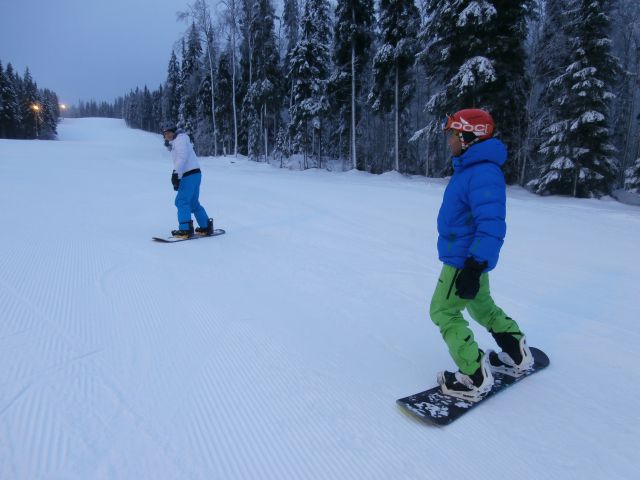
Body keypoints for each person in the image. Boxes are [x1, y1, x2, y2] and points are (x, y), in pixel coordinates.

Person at [430, 108, 534, 402]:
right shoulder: (472, 169)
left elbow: (491, 224)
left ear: (468, 137)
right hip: (469, 256)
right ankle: (516, 352)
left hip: (464, 259)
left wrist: (474, 267)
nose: (449, 140)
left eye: (453, 134)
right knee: (480, 305)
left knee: (443, 311)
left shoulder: (482, 173)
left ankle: (474, 375)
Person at [161, 122, 214, 238]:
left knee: (181, 201)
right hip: (194, 174)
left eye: (169, 132)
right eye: (165, 134)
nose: (168, 135)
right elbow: (183, 159)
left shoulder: (179, 139)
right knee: (193, 202)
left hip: (189, 174)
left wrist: (175, 174)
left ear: (174, 131)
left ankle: (185, 229)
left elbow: (182, 157)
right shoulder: (179, 141)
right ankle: (206, 226)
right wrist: (178, 179)